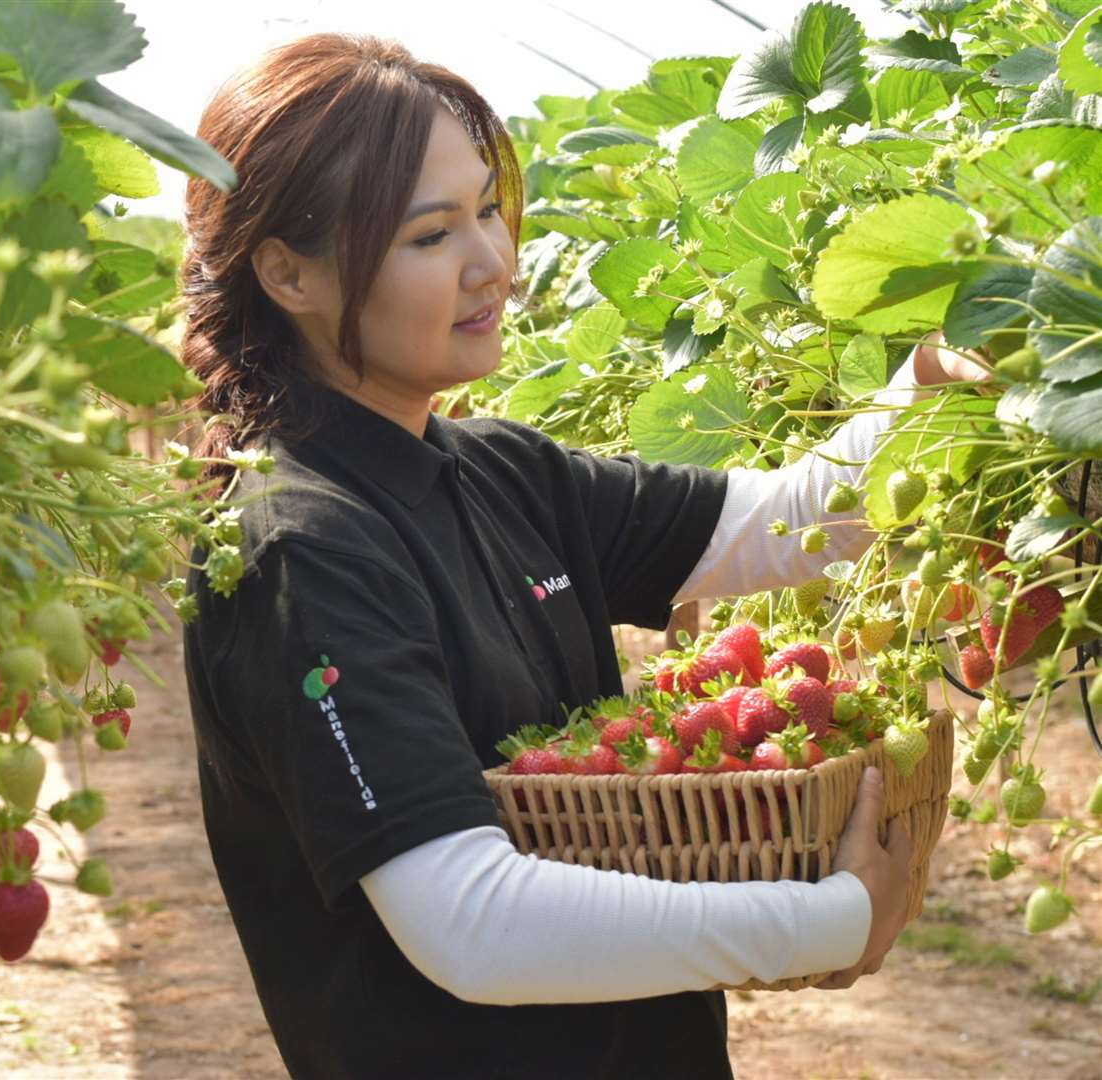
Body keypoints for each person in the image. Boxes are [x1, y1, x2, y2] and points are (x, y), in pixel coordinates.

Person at [177, 33, 989, 1080]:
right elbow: (471, 921)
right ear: (287, 272)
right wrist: (830, 919)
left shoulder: (497, 469)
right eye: (431, 235)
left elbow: (788, 522)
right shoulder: (301, 545)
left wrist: (941, 382)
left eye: (486, 209)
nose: (493, 264)